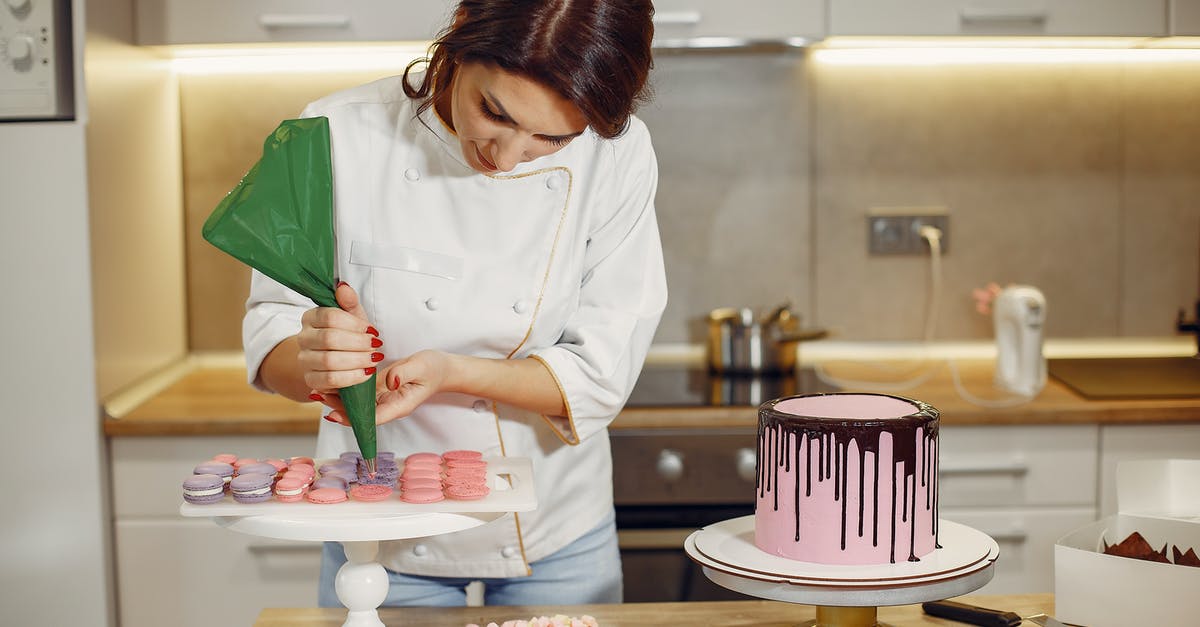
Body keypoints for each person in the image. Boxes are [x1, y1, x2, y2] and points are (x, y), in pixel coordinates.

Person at [242, 0, 666, 608]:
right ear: (458, 45)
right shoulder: (334, 131)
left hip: (554, 529)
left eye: (552, 138)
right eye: (493, 112)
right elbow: (272, 330)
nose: (507, 157)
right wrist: (314, 360)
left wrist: (451, 372)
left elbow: (600, 373)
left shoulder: (617, 152)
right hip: (382, 526)